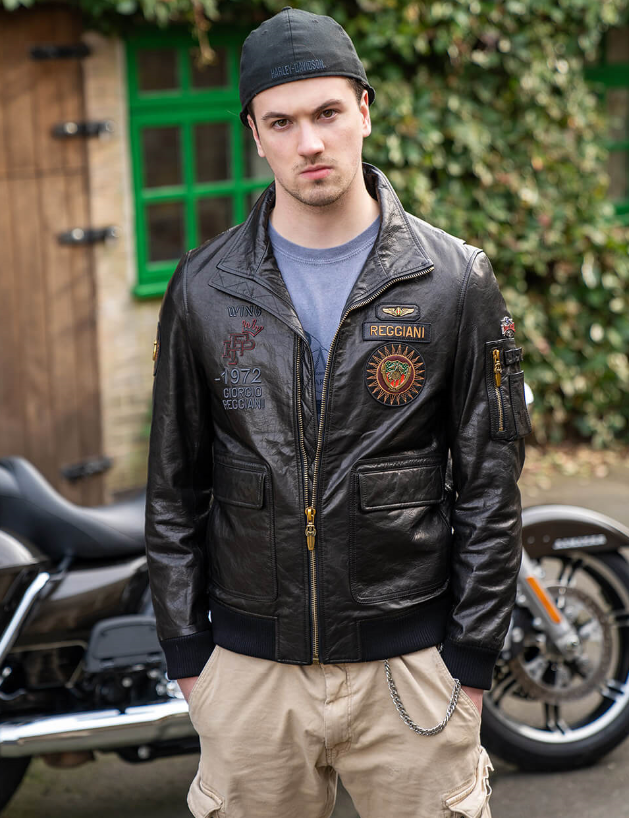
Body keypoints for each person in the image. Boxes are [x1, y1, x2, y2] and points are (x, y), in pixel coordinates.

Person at [145, 7, 531, 817]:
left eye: (326, 113)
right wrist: (191, 660)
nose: (309, 143)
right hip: (250, 676)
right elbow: (173, 487)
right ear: (255, 136)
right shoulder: (203, 287)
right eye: (281, 122)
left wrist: (468, 661)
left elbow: (490, 487)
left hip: (411, 670)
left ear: (363, 111)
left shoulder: (453, 280)